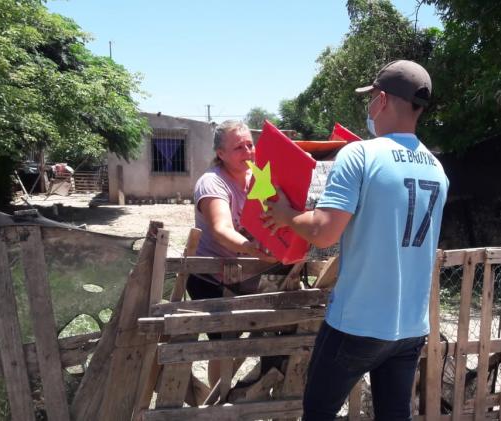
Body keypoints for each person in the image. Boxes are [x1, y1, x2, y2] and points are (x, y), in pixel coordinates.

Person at [263, 60, 449, 420]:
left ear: (381, 99)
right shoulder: (436, 168)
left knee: (318, 412)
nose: (369, 108)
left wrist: (286, 215)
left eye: (371, 99)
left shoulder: (360, 154)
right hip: (409, 327)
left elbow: (324, 231)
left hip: (357, 322)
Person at [189, 119, 275, 386]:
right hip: (211, 278)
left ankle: (246, 392)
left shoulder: (258, 177)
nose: (248, 152)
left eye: (250, 145)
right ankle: (218, 401)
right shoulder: (212, 183)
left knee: (268, 330)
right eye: (239, 147)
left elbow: (270, 214)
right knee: (224, 345)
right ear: (220, 153)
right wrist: (252, 248)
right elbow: (221, 229)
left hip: (244, 273)